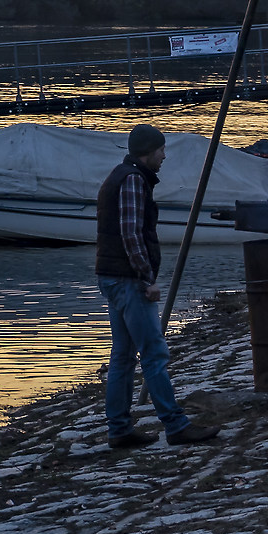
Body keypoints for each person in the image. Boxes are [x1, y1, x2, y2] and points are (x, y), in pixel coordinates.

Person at [95, 124, 219, 448]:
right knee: (153, 352)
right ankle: (176, 425)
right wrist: (145, 278)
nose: (164, 156)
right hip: (127, 280)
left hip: (111, 276)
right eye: (161, 150)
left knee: (123, 354)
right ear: (147, 152)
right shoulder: (134, 180)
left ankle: (119, 429)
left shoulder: (120, 175)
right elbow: (131, 234)